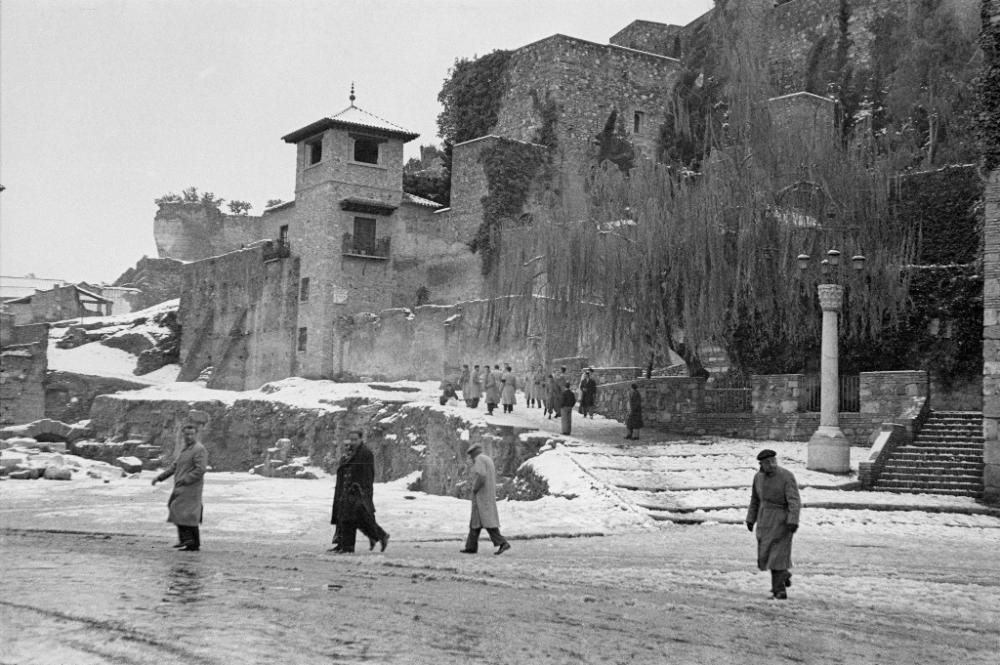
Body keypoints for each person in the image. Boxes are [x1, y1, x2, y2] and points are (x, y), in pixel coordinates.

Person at [746, 449, 801, 600]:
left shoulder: (786, 476)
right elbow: (755, 500)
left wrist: (793, 520)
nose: (771, 465)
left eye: (773, 461)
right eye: (767, 463)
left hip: (781, 521)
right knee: (767, 554)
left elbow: (794, 501)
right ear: (761, 464)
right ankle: (784, 574)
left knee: (777, 555)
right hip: (764, 520)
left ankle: (779, 590)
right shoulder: (758, 478)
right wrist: (750, 519)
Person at [329, 430, 389, 554]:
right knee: (345, 518)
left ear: (361, 439)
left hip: (356, 491)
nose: (352, 442)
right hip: (345, 491)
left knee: (355, 518)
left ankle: (351, 545)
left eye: (355, 439)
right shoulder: (350, 453)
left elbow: (368, 474)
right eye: (351, 439)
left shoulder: (365, 453)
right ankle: (343, 544)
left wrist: (364, 492)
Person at [151, 422, 208, 552]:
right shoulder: (185, 450)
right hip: (182, 487)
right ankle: (192, 543)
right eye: (186, 434)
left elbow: (201, 469)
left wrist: (186, 480)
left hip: (191, 488)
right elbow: (174, 467)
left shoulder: (199, 449)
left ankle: (187, 540)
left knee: (179, 509)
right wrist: (160, 477)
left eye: (191, 434)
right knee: (187, 514)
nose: (188, 437)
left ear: (196, 435)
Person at [460, 443, 511, 555]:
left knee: (487, 521)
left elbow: (481, 476)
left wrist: (475, 488)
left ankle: (502, 542)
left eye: (471, 456)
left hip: (481, 495)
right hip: (487, 494)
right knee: (476, 522)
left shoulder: (479, 459)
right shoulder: (487, 459)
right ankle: (471, 546)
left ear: (473, 454)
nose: (471, 459)